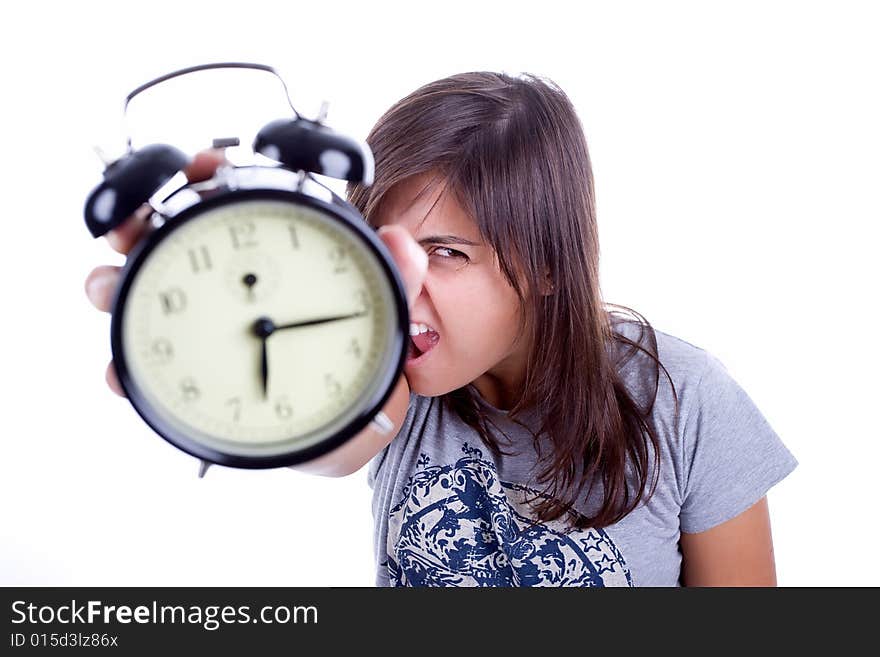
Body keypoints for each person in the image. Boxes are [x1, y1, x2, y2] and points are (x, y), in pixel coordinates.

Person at [84, 71, 798, 587]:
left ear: (547, 262)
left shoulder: (686, 400)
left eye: (446, 253)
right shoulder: (389, 372)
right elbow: (333, 437)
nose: (402, 286)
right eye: (379, 246)